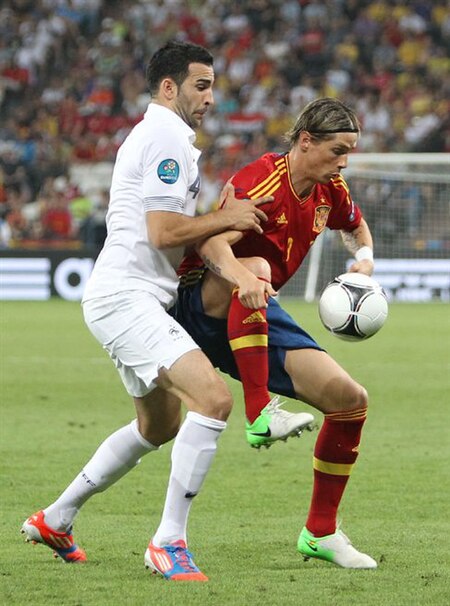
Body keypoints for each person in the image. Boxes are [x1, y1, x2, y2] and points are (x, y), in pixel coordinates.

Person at [21, 40, 271, 582]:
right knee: (214, 398)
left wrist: (226, 242)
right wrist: (224, 217)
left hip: (131, 297)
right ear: (168, 87)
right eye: (200, 85)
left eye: (212, 86)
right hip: (126, 297)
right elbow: (163, 234)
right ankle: (168, 542)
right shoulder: (163, 137)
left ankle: (56, 518)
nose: (210, 97)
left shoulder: (168, 138)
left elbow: (178, 233)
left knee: (159, 425)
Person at [172, 97, 378, 569]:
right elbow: (208, 242)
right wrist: (242, 277)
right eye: (337, 150)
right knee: (259, 265)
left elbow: (356, 227)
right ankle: (260, 412)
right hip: (203, 300)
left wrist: (364, 258)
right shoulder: (261, 179)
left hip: (258, 306)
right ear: (306, 141)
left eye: (349, 151)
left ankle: (321, 533)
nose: (343, 161)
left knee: (350, 400)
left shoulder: (332, 189)